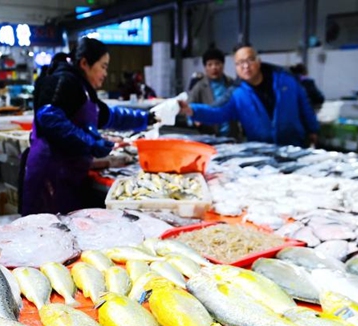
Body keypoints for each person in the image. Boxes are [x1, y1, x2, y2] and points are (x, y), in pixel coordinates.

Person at [21, 38, 155, 215]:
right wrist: (91, 143)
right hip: (50, 175)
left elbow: (109, 115)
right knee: (46, 232)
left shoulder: (82, 88)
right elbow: (48, 117)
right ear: (84, 63)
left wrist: (147, 118)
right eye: (103, 66)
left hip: (67, 176)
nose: (105, 73)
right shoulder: (64, 81)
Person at [180, 43, 319, 147]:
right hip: (263, 153)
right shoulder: (237, 93)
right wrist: (190, 110)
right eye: (239, 63)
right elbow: (217, 111)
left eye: (249, 60)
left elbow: (304, 103)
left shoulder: (285, 79)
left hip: (294, 147)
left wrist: (313, 129)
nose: (245, 66)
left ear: (258, 61)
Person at [187, 47, 239, 138]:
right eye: (209, 64)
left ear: (223, 65)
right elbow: (189, 106)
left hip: (232, 136)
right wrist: (195, 120)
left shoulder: (232, 84)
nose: (214, 68)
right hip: (210, 135)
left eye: (217, 64)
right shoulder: (199, 87)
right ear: (205, 68)